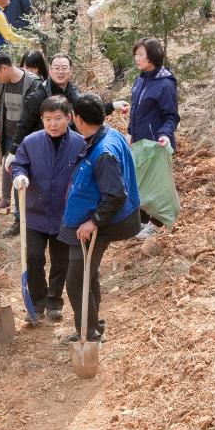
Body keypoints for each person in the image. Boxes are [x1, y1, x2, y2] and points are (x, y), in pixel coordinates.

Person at [58, 94, 142, 343]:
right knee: (88, 273)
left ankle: (89, 332)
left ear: (78, 119)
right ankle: (94, 323)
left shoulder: (103, 153)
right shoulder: (108, 134)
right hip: (94, 219)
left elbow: (115, 194)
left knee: (76, 280)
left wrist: (93, 221)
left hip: (98, 224)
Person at [11, 95, 83, 322]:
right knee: (33, 257)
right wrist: (20, 176)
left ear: (69, 118)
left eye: (58, 118)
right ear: (41, 120)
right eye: (48, 119)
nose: (53, 124)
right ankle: (38, 302)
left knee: (60, 260)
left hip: (65, 214)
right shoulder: (30, 142)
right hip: (34, 212)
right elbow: (19, 164)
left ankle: (54, 302)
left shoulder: (80, 144)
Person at [128, 38, 180, 240]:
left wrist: (164, 134)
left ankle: (158, 224)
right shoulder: (141, 79)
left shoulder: (165, 84)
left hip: (156, 144)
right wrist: (130, 132)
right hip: (140, 143)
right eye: (136, 54)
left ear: (153, 55)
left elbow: (171, 116)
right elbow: (136, 110)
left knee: (158, 186)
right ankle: (142, 222)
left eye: (141, 54)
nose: (137, 58)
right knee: (140, 183)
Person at [0, 53, 41, 235]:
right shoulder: (4, 83)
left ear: (4, 68)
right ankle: (19, 216)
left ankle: (22, 219)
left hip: (26, 139)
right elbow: (3, 105)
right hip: (9, 137)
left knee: (21, 176)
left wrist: (18, 144)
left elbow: (31, 115)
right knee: (11, 172)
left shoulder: (32, 83)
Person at [16, 52, 121, 141]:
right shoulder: (39, 94)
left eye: (64, 68)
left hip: (70, 145)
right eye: (56, 68)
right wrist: (14, 151)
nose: (60, 72)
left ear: (71, 70)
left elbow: (89, 112)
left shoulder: (74, 92)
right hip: (44, 146)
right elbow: (24, 124)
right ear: (50, 70)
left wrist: (113, 106)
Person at [86, 0, 138, 82]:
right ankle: (120, 77)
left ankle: (123, 76)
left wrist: (96, 10)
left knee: (107, 46)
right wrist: (100, 2)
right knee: (113, 48)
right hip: (117, 21)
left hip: (122, 22)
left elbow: (111, 1)